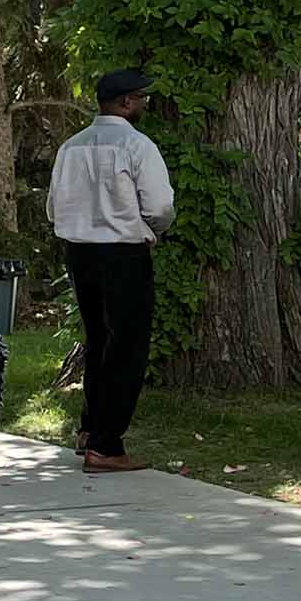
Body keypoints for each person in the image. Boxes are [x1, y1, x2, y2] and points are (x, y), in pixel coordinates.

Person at [48, 67, 174, 472]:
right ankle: (106, 445)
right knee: (127, 347)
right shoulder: (137, 146)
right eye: (141, 99)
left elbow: (54, 206)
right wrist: (151, 230)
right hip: (123, 252)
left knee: (98, 339)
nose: (144, 105)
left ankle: (89, 428)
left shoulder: (71, 147)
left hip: (79, 252)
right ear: (125, 103)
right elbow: (159, 207)